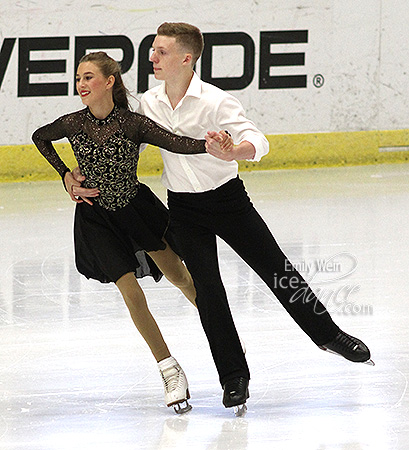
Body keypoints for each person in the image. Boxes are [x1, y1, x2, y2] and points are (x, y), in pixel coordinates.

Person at [72, 23, 373, 414]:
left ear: (186, 58)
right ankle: (233, 376)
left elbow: (257, 140)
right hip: (183, 209)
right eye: (153, 51)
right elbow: (115, 137)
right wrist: (72, 175)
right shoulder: (148, 103)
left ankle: (328, 334)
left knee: (277, 269)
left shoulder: (215, 101)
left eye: (161, 52)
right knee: (209, 292)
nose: (152, 58)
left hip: (228, 202)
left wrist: (235, 152)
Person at [31, 51, 232, 414]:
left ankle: (226, 341)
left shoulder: (131, 123)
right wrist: (65, 175)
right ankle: (169, 370)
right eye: (78, 78)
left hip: (136, 211)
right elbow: (40, 137)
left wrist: (208, 145)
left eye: (88, 77)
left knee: (180, 276)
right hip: (96, 218)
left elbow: (174, 141)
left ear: (109, 82)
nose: (81, 85)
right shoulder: (72, 123)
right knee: (131, 292)